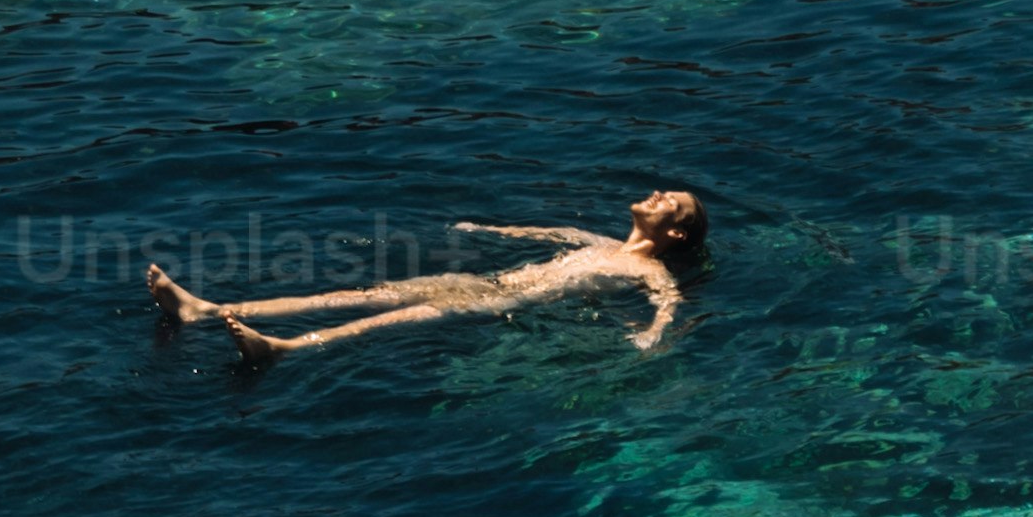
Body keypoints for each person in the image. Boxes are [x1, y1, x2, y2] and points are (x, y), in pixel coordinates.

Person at [150, 189, 706, 363]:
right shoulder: (600, 242)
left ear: (677, 233)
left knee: (387, 319)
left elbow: (669, 300)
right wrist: (487, 228)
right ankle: (205, 310)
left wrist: (653, 333)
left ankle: (284, 347)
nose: (658, 194)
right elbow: (544, 232)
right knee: (353, 294)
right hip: (486, 283)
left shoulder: (647, 266)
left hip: (500, 304)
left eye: (671, 203)